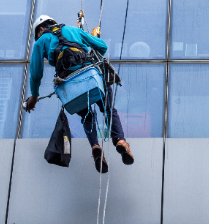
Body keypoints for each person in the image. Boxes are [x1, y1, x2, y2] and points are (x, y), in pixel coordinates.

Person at [23, 15, 134, 173]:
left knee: (87, 116)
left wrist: (34, 96)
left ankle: (95, 147)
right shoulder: (73, 30)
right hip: (91, 75)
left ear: (41, 29)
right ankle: (120, 141)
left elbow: (36, 73)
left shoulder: (41, 41)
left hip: (70, 83)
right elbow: (102, 46)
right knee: (108, 109)